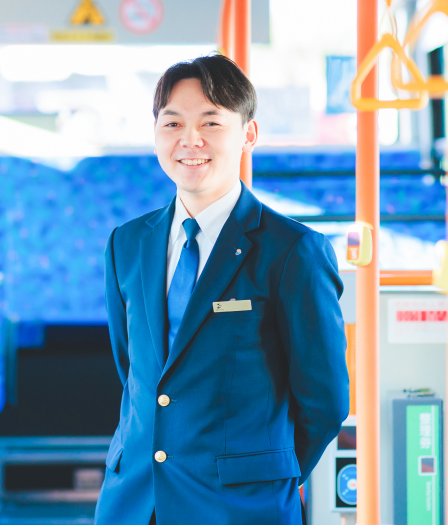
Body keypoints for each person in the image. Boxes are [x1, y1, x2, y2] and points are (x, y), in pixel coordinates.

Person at [94, 54, 349, 525]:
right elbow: (135, 371)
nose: (190, 140)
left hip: (241, 507)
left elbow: (325, 401)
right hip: (134, 502)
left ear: (248, 134)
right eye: (173, 123)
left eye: (211, 123)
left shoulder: (292, 251)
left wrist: (265, 476)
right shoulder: (126, 244)